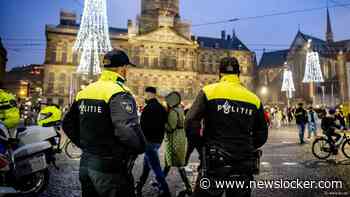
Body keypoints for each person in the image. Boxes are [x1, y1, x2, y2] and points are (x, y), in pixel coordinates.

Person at [62, 49, 146, 197]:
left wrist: (85, 145)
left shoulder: (86, 90)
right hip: (109, 167)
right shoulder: (119, 92)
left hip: (86, 162)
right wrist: (140, 147)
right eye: (127, 68)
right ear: (122, 69)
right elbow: (126, 129)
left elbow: (67, 124)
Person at [185, 57, 268, 197]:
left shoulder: (208, 91)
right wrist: (247, 146)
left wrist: (201, 146)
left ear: (220, 73)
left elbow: (190, 121)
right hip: (243, 162)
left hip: (214, 160)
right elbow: (262, 134)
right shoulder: (253, 98)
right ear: (239, 74)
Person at [136, 87, 170, 197]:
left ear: (149, 94)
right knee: (147, 165)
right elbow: (166, 124)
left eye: (145, 95)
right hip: (158, 141)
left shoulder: (147, 108)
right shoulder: (161, 108)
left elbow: (142, 127)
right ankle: (139, 186)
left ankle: (166, 191)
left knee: (156, 167)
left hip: (148, 142)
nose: (145, 97)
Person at [163, 91, 192, 196]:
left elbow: (171, 127)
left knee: (178, 164)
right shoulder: (179, 109)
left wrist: (163, 124)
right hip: (179, 137)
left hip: (174, 139)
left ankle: (188, 187)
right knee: (167, 163)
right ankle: (160, 182)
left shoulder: (173, 112)